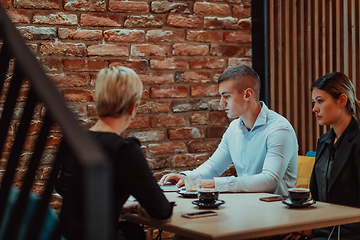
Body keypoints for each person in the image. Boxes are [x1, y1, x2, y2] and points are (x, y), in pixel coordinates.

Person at [56, 66, 173, 240]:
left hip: (66, 236)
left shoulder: (74, 141)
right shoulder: (124, 149)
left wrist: (118, 206)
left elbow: (65, 190)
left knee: (132, 231)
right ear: (133, 107)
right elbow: (161, 210)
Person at [159, 65, 298, 196]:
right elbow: (213, 167)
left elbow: (270, 181)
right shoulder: (234, 128)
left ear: (247, 95)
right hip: (247, 208)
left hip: (277, 211)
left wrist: (217, 184)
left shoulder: (279, 130)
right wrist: (186, 177)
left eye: (227, 96)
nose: (221, 103)